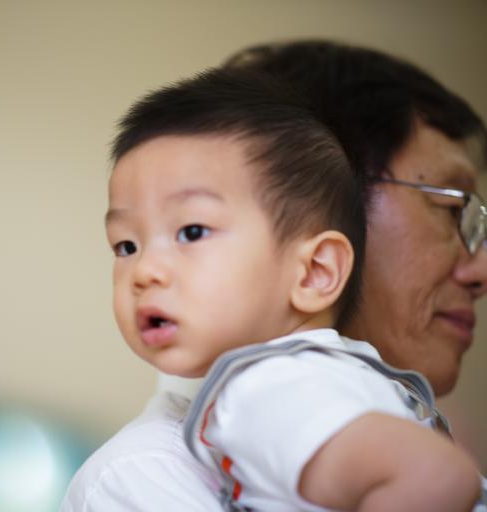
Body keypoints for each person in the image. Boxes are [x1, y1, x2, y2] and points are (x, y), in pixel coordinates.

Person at [62, 40, 487, 511]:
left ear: (318, 268)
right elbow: (437, 478)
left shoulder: (276, 391)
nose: (143, 271)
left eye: (192, 231)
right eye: (126, 246)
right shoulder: (160, 464)